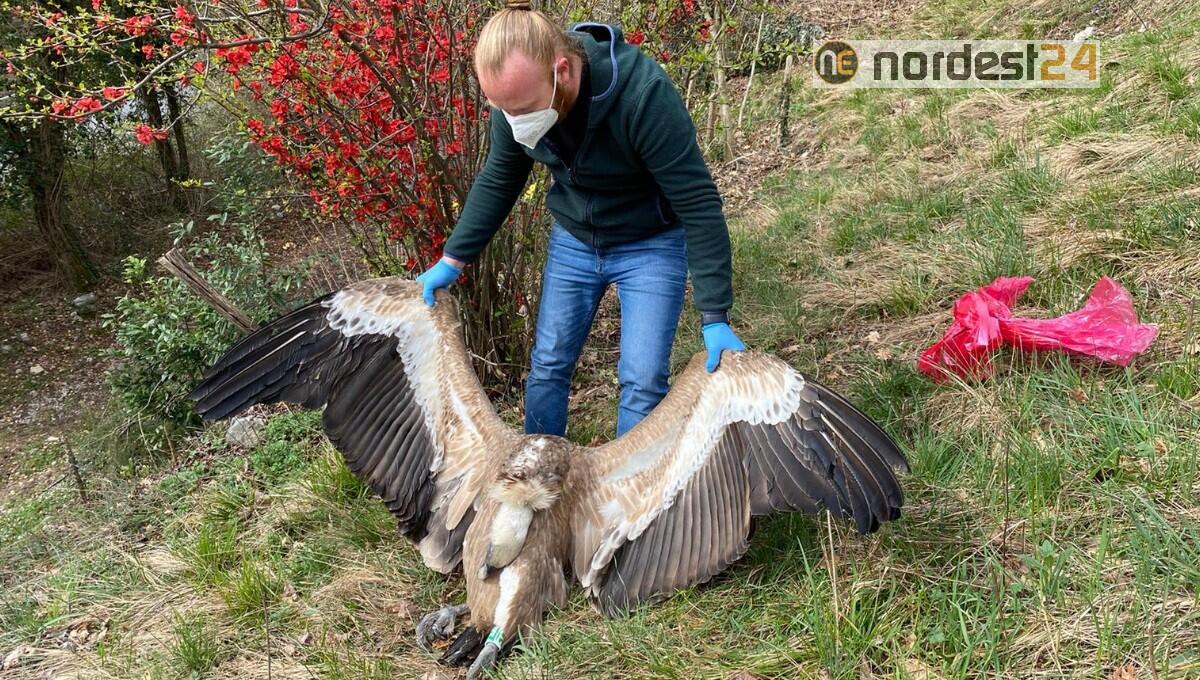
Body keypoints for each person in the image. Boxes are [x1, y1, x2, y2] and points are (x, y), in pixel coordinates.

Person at [417, 0, 744, 439]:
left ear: (563, 71)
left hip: (650, 242)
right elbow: (500, 178)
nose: (515, 121)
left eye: (523, 108)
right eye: (504, 110)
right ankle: (537, 474)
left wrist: (714, 314)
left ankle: (631, 484)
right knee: (548, 365)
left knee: (642, 380)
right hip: (575, 240)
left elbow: (697, 201)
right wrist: (453, 259)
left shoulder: (642, 96)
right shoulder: (516, 101)